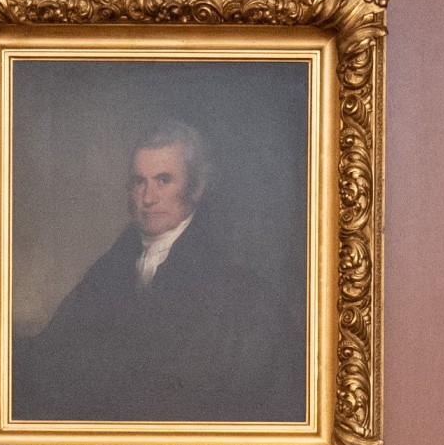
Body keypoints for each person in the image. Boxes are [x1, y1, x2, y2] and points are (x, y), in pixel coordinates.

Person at [15, 123, 300, 424]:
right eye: (139, 182)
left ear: (196, 187)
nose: (148, 198)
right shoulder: (108, 270)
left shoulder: (236, 291)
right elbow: (53, 353)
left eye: (163, 180)